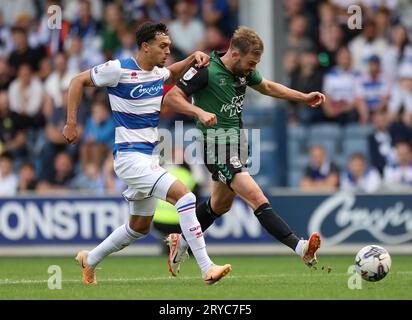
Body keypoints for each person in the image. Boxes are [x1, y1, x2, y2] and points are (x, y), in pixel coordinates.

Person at [63, 22, 231, 285]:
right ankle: (206, 267)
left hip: (148, 158)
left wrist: (192, 58)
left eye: (169, 47)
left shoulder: (157, 74)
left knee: (138, 228)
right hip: (130, 157)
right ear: (145, 46)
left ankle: (90, 259)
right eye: (162, 46)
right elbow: (77, 81)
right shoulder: (118, 69)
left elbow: (172, 75)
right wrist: (72, 122)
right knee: (185, 197)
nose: (167, 51)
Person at [163, 26, 325, 277]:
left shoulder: (243, 72)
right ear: (235, 54)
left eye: (256, 63)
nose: (253, 68)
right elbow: (172, 98)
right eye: (251, 62)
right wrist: (199, 112)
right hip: (214, 142)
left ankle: (181, 241)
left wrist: (303, 97)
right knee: (255, 195)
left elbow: (269, 87)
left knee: (220, 204)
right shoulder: (205, 70)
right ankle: (300, 246)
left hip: (237, 143)